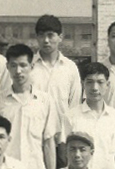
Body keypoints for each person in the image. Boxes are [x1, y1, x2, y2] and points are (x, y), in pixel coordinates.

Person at [0, 44, 59, 169]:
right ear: (7, 67)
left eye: (23, 65)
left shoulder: (45, 100)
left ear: (32, 66)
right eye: (13, 65)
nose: (18, 71)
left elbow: (48, 142)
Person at [63, 61, 115, 169]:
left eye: (100, 82)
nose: (95, 88)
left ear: (107, 85)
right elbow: (65, 154)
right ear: (83, 84)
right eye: (90, 82)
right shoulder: (70, 116)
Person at [31, 15, 82, 149]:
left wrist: (69, 136)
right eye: (41, 35)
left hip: (62, 139)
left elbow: (74, 105)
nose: (46, 40)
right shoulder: (29, 67)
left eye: (50, 35)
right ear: (37, 37)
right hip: (33, 137)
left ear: (60, 37)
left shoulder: (70, 68)